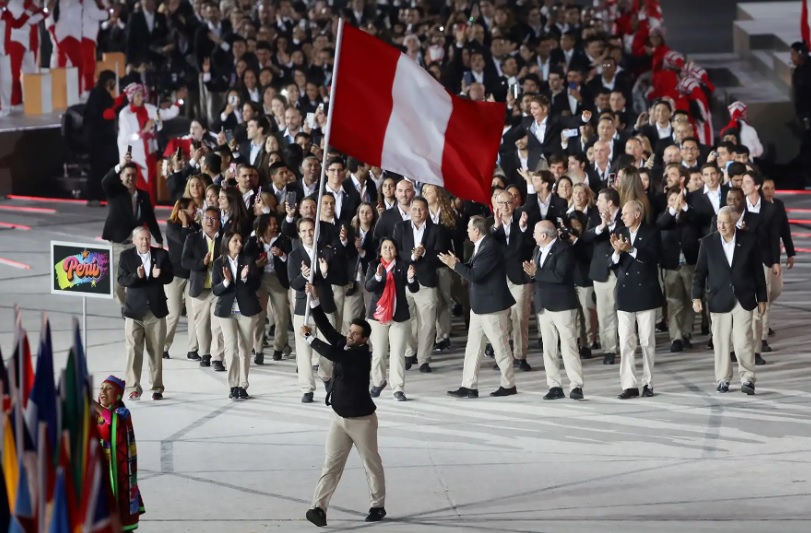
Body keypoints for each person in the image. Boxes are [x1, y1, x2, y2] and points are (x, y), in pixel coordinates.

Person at [301, 284, 386, 528]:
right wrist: (315, 301)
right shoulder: (346, 345)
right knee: (331, 464)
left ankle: (377, 505)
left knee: (371, 464)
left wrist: (308, 339)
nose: (350, 335)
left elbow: (333, 354)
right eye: (350, 331)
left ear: (364, 339)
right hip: (339, 419)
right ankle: (318, 507)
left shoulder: (359, 356)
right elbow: (327, 330)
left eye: (355, 334)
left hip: (361, 421)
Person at [692, 207, 767, 395]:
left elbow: (758, 272)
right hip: (718, 299)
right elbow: (699, 273)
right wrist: (696, 296)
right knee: (721, 342)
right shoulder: (708, 243)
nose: (721, 225)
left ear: (734, 222)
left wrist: (762, 298)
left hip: (744, 298)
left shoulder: (749, 240)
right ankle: (723, 379)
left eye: (725, 222)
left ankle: (748, 378)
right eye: (719, 222)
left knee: (743, 342)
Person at [440, 216, 517, 399]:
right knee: (473, 347)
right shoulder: (482, 245)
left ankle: (509, 384)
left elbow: (475, 275)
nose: (466, 231)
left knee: (500, 346)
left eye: (468, 228)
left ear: (476, 231)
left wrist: (455, 265)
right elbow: (475, 268)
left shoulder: (489, 247)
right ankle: (469, 386)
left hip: (492, 307)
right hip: (479, 305)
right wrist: (458, 264)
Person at [522, 221, 585, 400]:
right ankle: (554, 385)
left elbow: (560, 275)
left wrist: (536, 273)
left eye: (535, 232)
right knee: (548, 348)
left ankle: (576, 385)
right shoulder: (537, 250)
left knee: (569, 346)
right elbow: (536, 274)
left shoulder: (563, 249)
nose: (532, 235)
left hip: (562, 304)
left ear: (544, 235)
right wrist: (530, 273)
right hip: (544, 304)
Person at [610, 199, 663, 399]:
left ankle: (648, 383)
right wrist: (616, 252)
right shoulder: (620, 231)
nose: (622, 216)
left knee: (647, 340)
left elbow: (653, 258)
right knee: (625, 342)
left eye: (625, 213)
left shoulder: (651, 232)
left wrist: (630, 250)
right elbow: (613, 264)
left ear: (637, 214)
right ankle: (629, 385)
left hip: (645, 292)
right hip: (624, 293)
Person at [118, 226, 173, 401]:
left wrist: (160, 274)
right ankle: (133, 388)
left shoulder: (161, 255)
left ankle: (157, 387)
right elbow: (122, 279)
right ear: (134, 241)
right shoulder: (126, 257)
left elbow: (170, 277)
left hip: (155, 312)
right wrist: (136, 276)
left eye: (147, 238)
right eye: (141, 239)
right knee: (133, 350)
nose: (145, 242)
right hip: (134, 312)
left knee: (156, 351)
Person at [102, 153, 163, 307]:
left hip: (136, 245)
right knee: (118, 283)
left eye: (133, 175)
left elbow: (150, 218)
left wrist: (159, 240)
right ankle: (125, 307)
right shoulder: (115, 192)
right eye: (127, 175)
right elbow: (106, 182)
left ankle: (135, 308)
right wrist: (120, 165)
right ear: (121, 176)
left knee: (139, 278)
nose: (130, 178)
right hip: (118, 244)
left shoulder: (143, 196)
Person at [366, 238, 419, 401]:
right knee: (379, 353)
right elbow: (369, 287)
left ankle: (398, 388)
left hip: (399, 317)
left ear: (396, 250)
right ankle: (378, 382)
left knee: (397, 354)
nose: (388, 250)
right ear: (380, 250)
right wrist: (378, 277)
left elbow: (414, 288)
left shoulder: (403, 266)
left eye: (391, 247)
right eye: (385, 247)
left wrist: (411, 278)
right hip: (378, 316)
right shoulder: (374, 266)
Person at [212, 231, 262, 400]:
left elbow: (257, 284)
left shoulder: (248, 261)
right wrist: (226, 281)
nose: (239, 244)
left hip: (246, 309)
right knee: (231, 346)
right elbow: (215, 289)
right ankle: (233, 385)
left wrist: (245, 279)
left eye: (241, 240)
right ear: (227, 243)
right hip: (226, 311)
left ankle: (243, 384)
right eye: (235, 241)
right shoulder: (219, 263)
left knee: (245, 348)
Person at [96, 376, 145, 530]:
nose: (103, 391)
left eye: (108, 388)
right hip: (100, 470)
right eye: (101, 387)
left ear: (117, 395)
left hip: (118, 472)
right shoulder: (94, 415)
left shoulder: (123, 413)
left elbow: (112, 421)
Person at [181, 206, 226, 369]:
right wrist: (202, 263)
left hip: (219, 288)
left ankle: (216, 357)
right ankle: (205, 354)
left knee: (218, 325)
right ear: (201, 220)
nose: (210, 221)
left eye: (214, 218)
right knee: (201, 325)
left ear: (219, 221)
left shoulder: (225, 238)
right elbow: (185, 261)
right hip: (199, 289)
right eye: (207, 218)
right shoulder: (192, 238)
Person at [244, 214, 292, 363]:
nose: (275, 226)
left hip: (278, 281)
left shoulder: (282, 239)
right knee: (259, 317)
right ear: (264, 226)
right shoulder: (253, 241)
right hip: (260, 280)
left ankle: (278, 347)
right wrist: (256, 264)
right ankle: (258, 350)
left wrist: (282, 255)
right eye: (271, 224)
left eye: (275, 223)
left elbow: (291, 259)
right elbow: (245, 259)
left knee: (282, 316)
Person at [163, 198, 199, 360]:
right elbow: (185, 243)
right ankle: (163, 346)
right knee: (173, 313)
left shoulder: (196, 227)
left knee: (194, 315)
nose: (195, 211)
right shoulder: (172, 226)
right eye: (192, 208)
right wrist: (185, 224)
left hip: (191, 275)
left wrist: (190, 225)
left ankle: (193, 349)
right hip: (175, 275)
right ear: (182, 211)